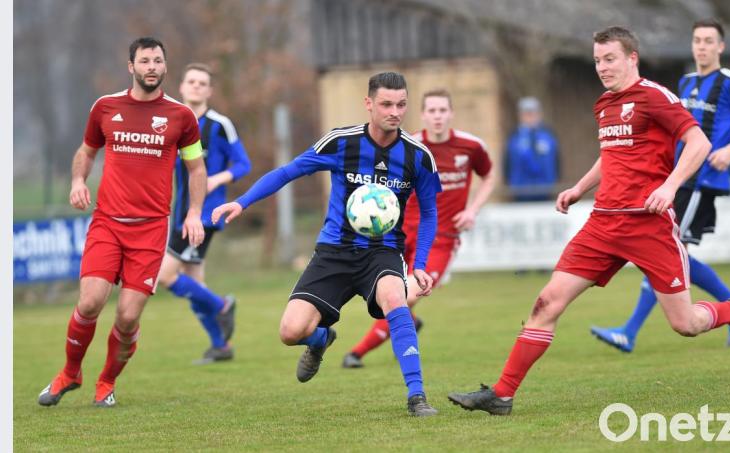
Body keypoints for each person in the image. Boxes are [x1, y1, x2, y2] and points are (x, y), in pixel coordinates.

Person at [447, 26, 730, 416]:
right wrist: (579, 187)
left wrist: (669, 187)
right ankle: (502, 395)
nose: (602, 67)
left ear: (632, 58)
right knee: (546, 303)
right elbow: (610, 154)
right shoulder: (604, 104)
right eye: (597, 60)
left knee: (685, 324)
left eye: (609, 59)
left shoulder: (655, 96)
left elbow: (699, 143)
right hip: (603, 223)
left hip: (649, 224)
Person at [212, 72, 442, 417]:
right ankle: (320, 339)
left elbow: (429, 213)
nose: (395, 112)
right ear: (369, 104)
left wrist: (419, 264)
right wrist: (242, 202)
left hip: (382, 253)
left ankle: (417, 396)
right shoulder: (340, 142)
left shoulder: (418, 157)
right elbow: (288, 172)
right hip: (334, 252)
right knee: (290, 332)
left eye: (401, 104)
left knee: (396, 299)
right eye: (386, 104)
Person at [38, 37, 206, 408]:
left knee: (128, 317)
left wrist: (194, 212)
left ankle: (106, 382)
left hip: (150, 229)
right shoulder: (105, 107)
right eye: (144, 60)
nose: (152, 67)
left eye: (157, 60)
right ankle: (70, 373)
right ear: (131, 66)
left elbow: (196, 168)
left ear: (165, 66)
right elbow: (86, 151)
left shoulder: (182, 116)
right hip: (108, 223)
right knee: (89, 303)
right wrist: (78, 181)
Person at [590, 18, 730, 353]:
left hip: (703, 180)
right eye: (697, 40)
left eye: (708, 41)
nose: (701, 46)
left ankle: (629, 331)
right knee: (675, 254)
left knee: (665, 254)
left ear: (721, 47)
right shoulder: (686, 82)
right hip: (676, 179)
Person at [342, 88, 495, 368]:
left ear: (451, 113)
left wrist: (472, 210)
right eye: (432, 111)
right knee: (386, 294)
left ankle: (356, 353)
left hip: (441, 240)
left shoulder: (471, 146)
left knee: (405, 295)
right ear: (423, 115)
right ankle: (409, 323)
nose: (437, 116)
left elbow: (489, 175)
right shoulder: (407, 145)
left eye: (442, 110)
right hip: (401, 234)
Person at [156, 63, 252, 364]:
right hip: (181, 213)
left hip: (206, 215)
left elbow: (243, 164)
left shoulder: (220, 125)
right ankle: (220, 345)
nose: (196, 86)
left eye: (202, 83)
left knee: (164, 275)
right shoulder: (172, 122)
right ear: (181, 87)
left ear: (209, 91)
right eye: (191, 81)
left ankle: (222, 305)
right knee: (194, 282)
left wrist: (216, 179)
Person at [504, 96, 560, 201]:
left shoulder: (548, 134)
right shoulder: (514, 136)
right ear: (520, 115)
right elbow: (507, 164)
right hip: (520, 192)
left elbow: (557, 161)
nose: (530, 117)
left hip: (546, 191)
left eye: (533, 113)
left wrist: (554, 183)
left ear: (539, 114)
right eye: (526, 114)